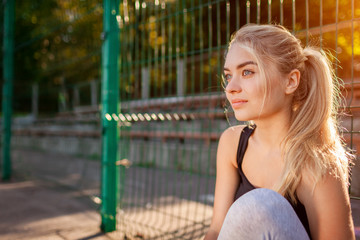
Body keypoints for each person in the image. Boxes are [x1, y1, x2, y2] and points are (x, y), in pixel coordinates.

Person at [204, 24, 355, 240]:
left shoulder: (316, 163)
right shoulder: (231, 143)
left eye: (247, 72)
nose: (230, 88)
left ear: (291, 81)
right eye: (228, 76)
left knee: (263, 205)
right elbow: (217, 230)